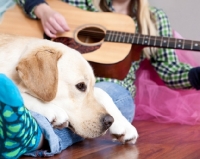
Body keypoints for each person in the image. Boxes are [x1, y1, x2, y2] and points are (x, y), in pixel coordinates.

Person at [2, 0, 200, 157]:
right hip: (64, 84)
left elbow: (170, 70)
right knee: (53, 101)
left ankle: (32, 136)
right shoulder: (81, 4)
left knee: (109, 97)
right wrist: (41, 8)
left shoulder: (154, 18)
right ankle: (24, 130)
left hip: (115, 88)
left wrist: (196, 76)